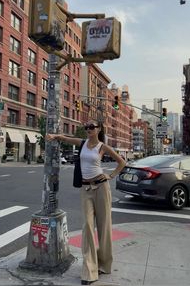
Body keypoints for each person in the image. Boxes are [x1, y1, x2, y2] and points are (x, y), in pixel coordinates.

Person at [46, 119, 126, 285]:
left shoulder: (102, 147)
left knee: (104, 227)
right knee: (88, 227)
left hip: (102, 187)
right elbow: (66, 138)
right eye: (86, 127)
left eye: (92, 127)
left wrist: (110, 176)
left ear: (98, 129)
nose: (88, 129)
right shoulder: (82, 143)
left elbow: (122, 162)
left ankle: (104, 264)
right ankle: (89, 270)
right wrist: (54, 136)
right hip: (85, 189)